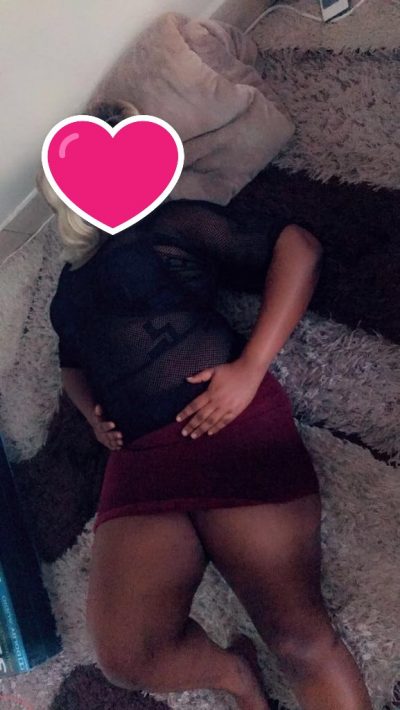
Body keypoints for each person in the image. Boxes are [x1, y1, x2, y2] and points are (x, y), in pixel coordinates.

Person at [38, 101, 372, 710]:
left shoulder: (170, 225)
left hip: (228, 423)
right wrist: (89, 412)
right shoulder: (67, 286)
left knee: (298, 639)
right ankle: (235, 675)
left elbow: (299, 247)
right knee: (126, 659)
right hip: (137, 462)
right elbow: (72, 363)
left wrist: (251, 368)